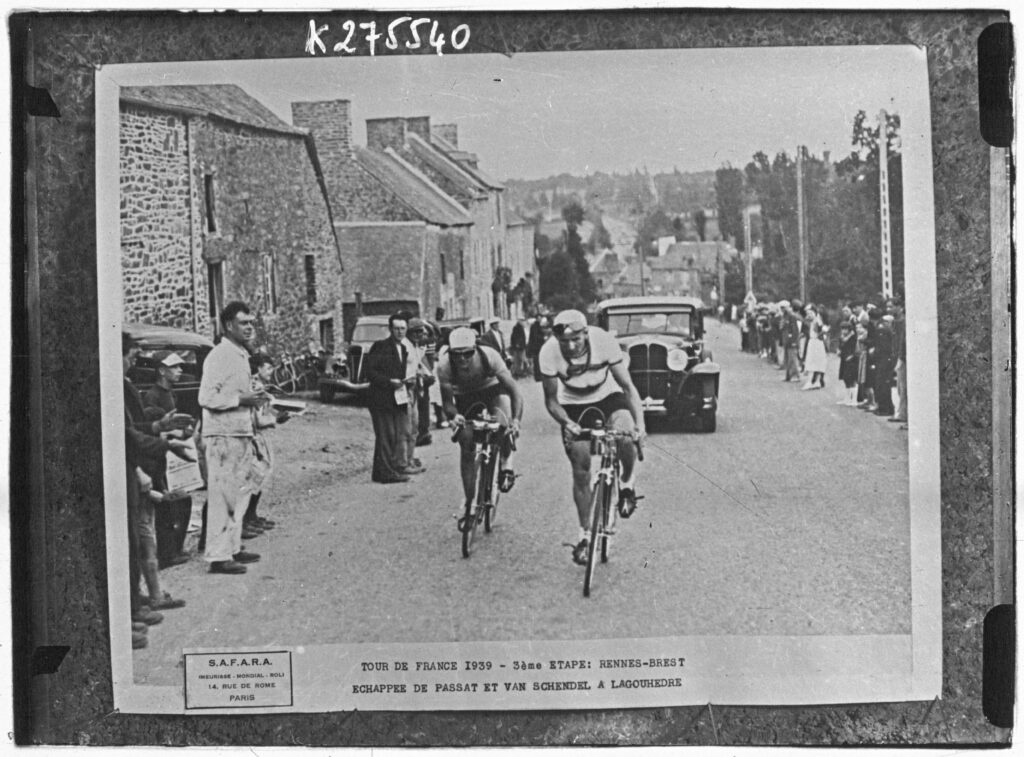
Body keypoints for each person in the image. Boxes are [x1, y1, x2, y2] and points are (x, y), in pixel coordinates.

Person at [538, 309, 646, 565]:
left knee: (626, 437)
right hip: (573, 403)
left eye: (576, 340)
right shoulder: (548, 352)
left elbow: (628, 387)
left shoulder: (604, 341)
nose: (571, 346)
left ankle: (627, 483)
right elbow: (551, 401)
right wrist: (566, 423)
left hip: (608, 395)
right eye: (565, 342)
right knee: (580, 465)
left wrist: (640, 425)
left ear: (586, 333)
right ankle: (585, 535)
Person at [123, 334, 194, 647]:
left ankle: (144, 599)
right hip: (139, 465)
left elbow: (139, 426)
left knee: (143, 535)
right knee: (137, 537)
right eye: (130, 355)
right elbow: (129, 435)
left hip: (144, 464)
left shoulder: (130, 386)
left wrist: (161, 427)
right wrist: (166, 441)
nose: (132, 362)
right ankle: (133, 608)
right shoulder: (124, 388)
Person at [198, 301, 268, 574]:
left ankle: (233, 548)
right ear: (229, 326)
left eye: (251, 322)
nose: (250, 327)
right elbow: (206, 397)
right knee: (222, 497)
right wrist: (241, 399)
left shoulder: (239, 354)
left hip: (239, 432)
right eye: (243, 323)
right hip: (222, 435)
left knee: (238, 495)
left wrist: (253, 401)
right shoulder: (219, 355)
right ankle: (218, 556)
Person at [437, 327, 523, 510]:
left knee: (503, 424)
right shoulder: (444, 365)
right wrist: (454, 416)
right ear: (450, 352)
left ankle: (506, 463)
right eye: (457, 354)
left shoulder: (489, 356)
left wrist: (515, 420)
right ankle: (469, 501)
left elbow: (514, 391)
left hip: (492, 389)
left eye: (467, 354)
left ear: (475, 349)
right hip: (465, 396)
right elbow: (447, 402)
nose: (462, 359)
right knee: (466, 440)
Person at [241, 353, 289, 539]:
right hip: (253, 436)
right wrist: (275, 418)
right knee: (253, 476)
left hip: (260, 436)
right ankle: (245, 519)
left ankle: (252, 515)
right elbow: (257, 419)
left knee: (262, 475)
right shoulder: (254, 388)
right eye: (268, 368)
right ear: (258, 369)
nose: (271, 372)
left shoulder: (262, 388)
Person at [365, 313, 416, 484]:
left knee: (393, 435)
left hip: (395, 399)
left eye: (403, 329)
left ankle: (385, 470)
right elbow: (370, 372)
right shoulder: (380, 347)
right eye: (396, 329)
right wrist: (389, 382)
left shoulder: (403, 349)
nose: (400, 332)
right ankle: (385, 473)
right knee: (385, 437)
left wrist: (407, 383)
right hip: (380, 399)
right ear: (390, 329)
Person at [801, 305, 828, 390]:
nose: (808, 315)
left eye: (810, 313)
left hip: (816, 342)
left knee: (814, 361)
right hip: (814, 342)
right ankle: (816, 381)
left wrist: (821, 333)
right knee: (814, 361)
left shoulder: (817, 320)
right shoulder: (814, 320)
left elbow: (821, 331)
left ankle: (812, 381)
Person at [836, 321, 859, 406]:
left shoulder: (853, 337)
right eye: (842, 329)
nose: (843, 331)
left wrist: (852, 355)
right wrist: (839, 350)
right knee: (845, 378)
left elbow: (855, 348)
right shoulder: (841, 337)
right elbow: (840, 346)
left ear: (849, 329)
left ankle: (854, 399)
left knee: (852, 378)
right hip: (844, 358)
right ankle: (847, 398)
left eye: (845, 329)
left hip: (852, 360)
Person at [527, 314, 554, 382]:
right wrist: (543, 338)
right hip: (536, 347)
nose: (540, 319)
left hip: (537, 346)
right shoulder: (535, 326)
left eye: (540, 318)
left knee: (538, 361)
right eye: (538, 318)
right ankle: (538, 377)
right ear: (536, 318)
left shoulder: (538, 325)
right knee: (537, 362)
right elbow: (535, 336)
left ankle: (539, 376)